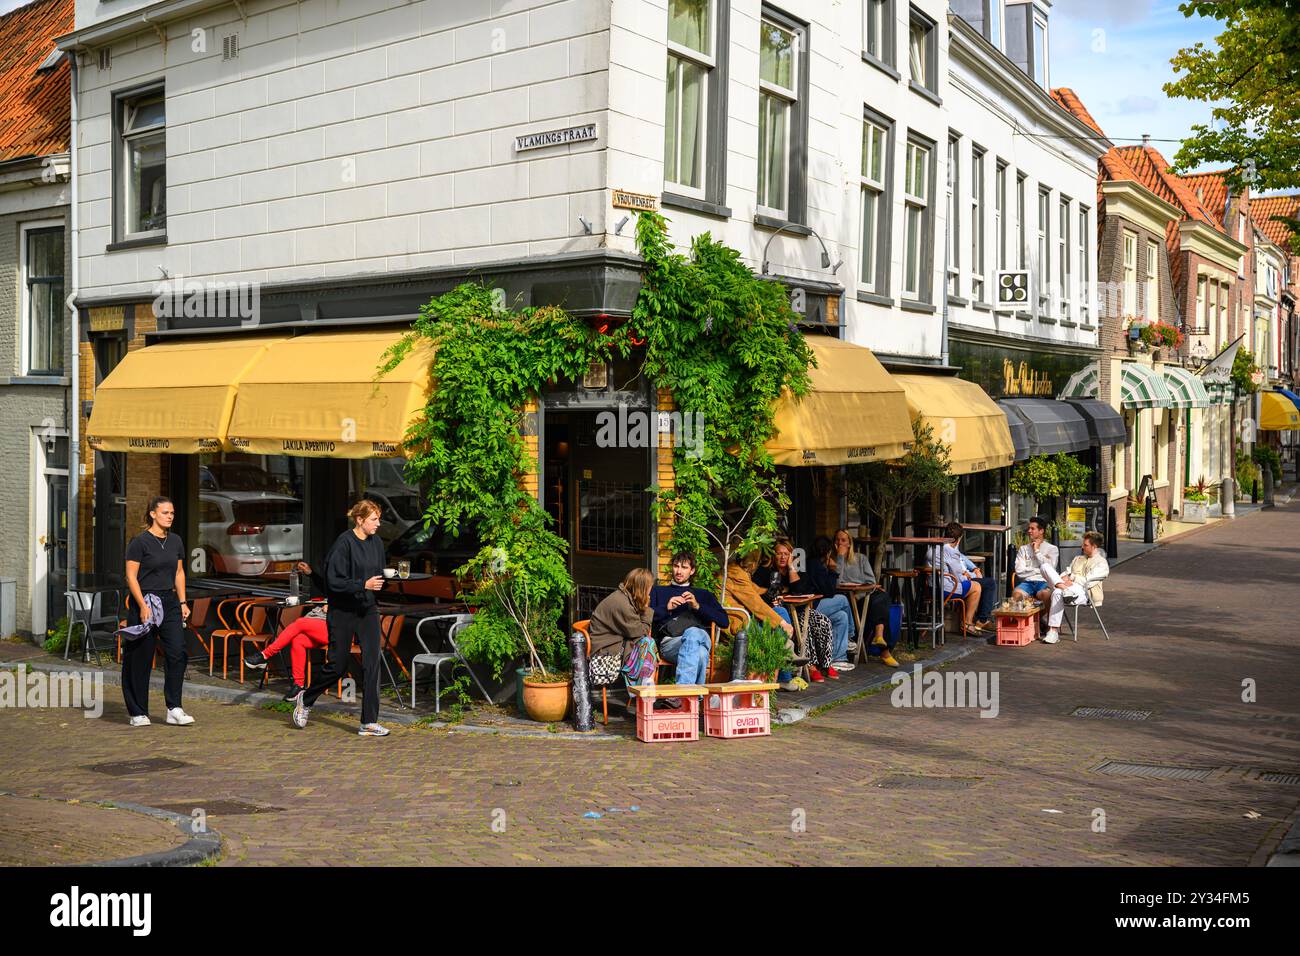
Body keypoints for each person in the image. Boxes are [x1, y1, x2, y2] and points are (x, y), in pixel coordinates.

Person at [291, 500, 389, 736]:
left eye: (378, 518)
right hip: (342, 611)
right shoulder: (343, 544)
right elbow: (332, 582)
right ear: (360, 520)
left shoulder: (376, 543)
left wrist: (386, 580)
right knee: (338, 665)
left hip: (367, 609)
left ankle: (368, 722)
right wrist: (362, 584)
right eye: (374, 519)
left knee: (372, 662)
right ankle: (306, 698)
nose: (378, 524)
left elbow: (378, 575)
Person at [121, 496, 193, 727]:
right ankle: (138, 712)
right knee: (140, 657)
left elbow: (179, 573)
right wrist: (142, 606)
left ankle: (174, 708)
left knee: (177, 652)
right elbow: (131, 576)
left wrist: (183, 602)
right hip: (145, 600)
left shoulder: (176, 541)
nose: (170, 516)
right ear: (153, 514)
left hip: (170, 602)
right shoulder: (139, 542)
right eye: (165, 513)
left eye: (172, 513)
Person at [718, 546, 805, 692]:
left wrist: (774, 590)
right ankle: (786, 654)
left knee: (781, 611)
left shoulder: (738, 571)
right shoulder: (735, 573)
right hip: (737, 621)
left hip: (745, 616)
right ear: (753, 563)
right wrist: (782, 623)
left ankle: (786, 657)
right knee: (779, 621)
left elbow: (753, 589)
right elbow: (754, 602)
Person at [243, 560, 329, 700]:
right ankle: (298, 685)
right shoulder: (337, 578)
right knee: (298, 640)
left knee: (300, 623)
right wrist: (310, 573)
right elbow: (327, 587)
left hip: (338, 629)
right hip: (321, 621)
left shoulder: (354, 581)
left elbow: (358, 600)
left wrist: (337, 606)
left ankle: (265, 655)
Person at [761, 537, 836, 682]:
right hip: (783, 613)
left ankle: (826, 663)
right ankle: (810, 666)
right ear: (773, 555)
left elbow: (800, 591)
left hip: (800, 610)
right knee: (804, 626)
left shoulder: (797, 570)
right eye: (779, 553)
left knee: (823, 621)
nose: (782, 557)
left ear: (791, 556)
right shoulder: (768, 573)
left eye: (786, 554)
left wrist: (791, 567)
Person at [650, 552, 729, 687]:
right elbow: (646, 617)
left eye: (684, 567)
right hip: (670, 643)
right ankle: (694, 696)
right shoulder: (658, 591)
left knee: (693, 633)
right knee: (701, 654)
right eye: (676, 566)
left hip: (699, 638)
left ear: (692, 571)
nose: (679, 571)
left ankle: (683, 692)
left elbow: (724, 621)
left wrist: (698, 606)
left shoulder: (703, 595)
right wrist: (666, 608)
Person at [589, 568, 658, 712]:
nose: (651, 590)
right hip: (607, 653)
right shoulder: (622, 604)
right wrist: (646, 609)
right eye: (650, 587)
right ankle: (645, 689)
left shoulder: (624, 598)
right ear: (642, 588)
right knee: (647, 642)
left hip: (617, 645)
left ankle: (645, 686)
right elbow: (640, 632)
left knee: (648, 644)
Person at [831, 529, 898, 667]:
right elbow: (836, 583)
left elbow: (871, 582)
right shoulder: (832, 561)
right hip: (846, 600)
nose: (840, 543)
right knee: (878, 605)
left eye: (843, 540)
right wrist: (840, 558)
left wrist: (859, 595)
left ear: (849, 543)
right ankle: (885, 651)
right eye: (837, 540)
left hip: (862, 596)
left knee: (882, 597)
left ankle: (879, 636)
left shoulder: (860, 558)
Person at [1039, 530, 1110, 644]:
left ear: (1094, 546)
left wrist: (1071, 577)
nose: (1082, 547)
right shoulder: (1078, 558)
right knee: (1044, 566)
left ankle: (1053, 632)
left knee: (1057, 592)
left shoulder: (1102, 563)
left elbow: (1087, 582)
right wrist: (1062, 579)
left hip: (1084, 592)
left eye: (1085, 545)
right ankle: (1053, 631)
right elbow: (1066, 572)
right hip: (1067, 588)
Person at [930, 522, 999, 635]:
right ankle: (969, 622)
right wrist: (971, 575)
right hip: (945, 588)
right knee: (978, 586)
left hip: (931, 586)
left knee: (982, 583)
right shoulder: (950, 551)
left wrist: (969, 571)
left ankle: (980, 619)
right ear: (959, 538)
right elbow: (960, 579)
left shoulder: (934, 547)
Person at [805, 536, 857, 671]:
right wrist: (833, 570)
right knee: (843, 599)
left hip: (816, 604)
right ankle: (851, 636)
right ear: (828, 552)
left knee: (841, 616)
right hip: (812, 606)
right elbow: (829, 591)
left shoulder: (812, 563)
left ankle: (837, 659)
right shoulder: (816, 565)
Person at [1012, 516, 1060, 606]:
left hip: (1044, 581)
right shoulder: (1023, 549)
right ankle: (1023, 615)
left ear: (1041, 531)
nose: (1029, 531)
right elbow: (1019, 571)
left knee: (1046, 594)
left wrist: (1037, 551)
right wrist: (1039, 571)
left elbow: (1051, 568)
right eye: (1029, 528)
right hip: (1027, 582)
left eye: (1032, 528)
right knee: (1016, 595)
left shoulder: (1052, 549)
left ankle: (1046, 615)